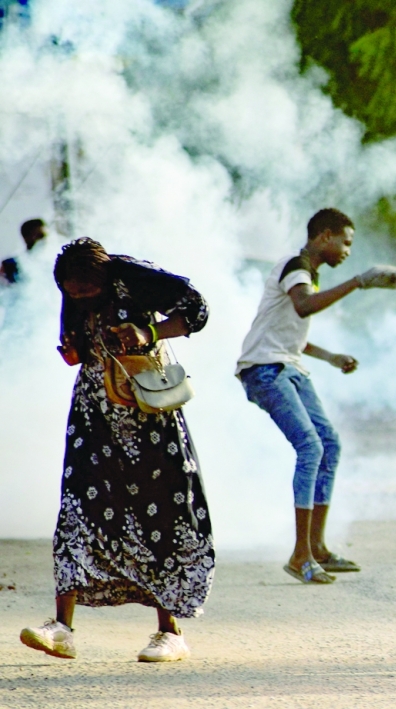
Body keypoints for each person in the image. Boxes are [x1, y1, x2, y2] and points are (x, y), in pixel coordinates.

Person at [20, 237, 213, 663]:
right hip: (94, 416)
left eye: (88, 292)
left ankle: (170, 633)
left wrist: (149, 331)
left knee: (160, 512)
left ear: (104, 278)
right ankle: (62, 628)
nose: (81, 298)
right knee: (77, 509)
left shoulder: (136, 278)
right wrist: (74, 351)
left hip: (148, 414)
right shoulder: (70, 289)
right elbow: (80, 348)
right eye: (74, 293)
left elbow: (196, 311)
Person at [236, 208, 396, 584]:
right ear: (325, 237)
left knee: (329, 444)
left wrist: (330, 357)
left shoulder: (307, 274)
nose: (348, 250)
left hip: (287, 367)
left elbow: (289, 331)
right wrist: (358, 282)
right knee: (311, 447)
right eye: (345, 242)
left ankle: (317, 548)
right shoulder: (296, 267)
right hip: (265, 370)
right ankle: (301, 555)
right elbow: (304, 307)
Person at [1, 218, 47, 285]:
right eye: (40, 236)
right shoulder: (10, 264)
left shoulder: (55, 262)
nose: (45, 240)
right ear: (26, 238)